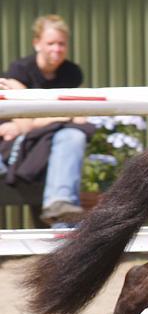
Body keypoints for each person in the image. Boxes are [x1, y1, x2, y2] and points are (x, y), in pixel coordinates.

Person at [0, 14, 93, 226]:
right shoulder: (20, 70)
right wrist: (63, 115)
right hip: (16, 150)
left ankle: (60, 207)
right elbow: (25, 125)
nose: (57, 49)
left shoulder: (71, 73)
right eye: (51, 43)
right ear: (37, 43)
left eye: (61, 44)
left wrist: (37, 117)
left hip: (53, 144)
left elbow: (81, 117)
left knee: (73, 135)